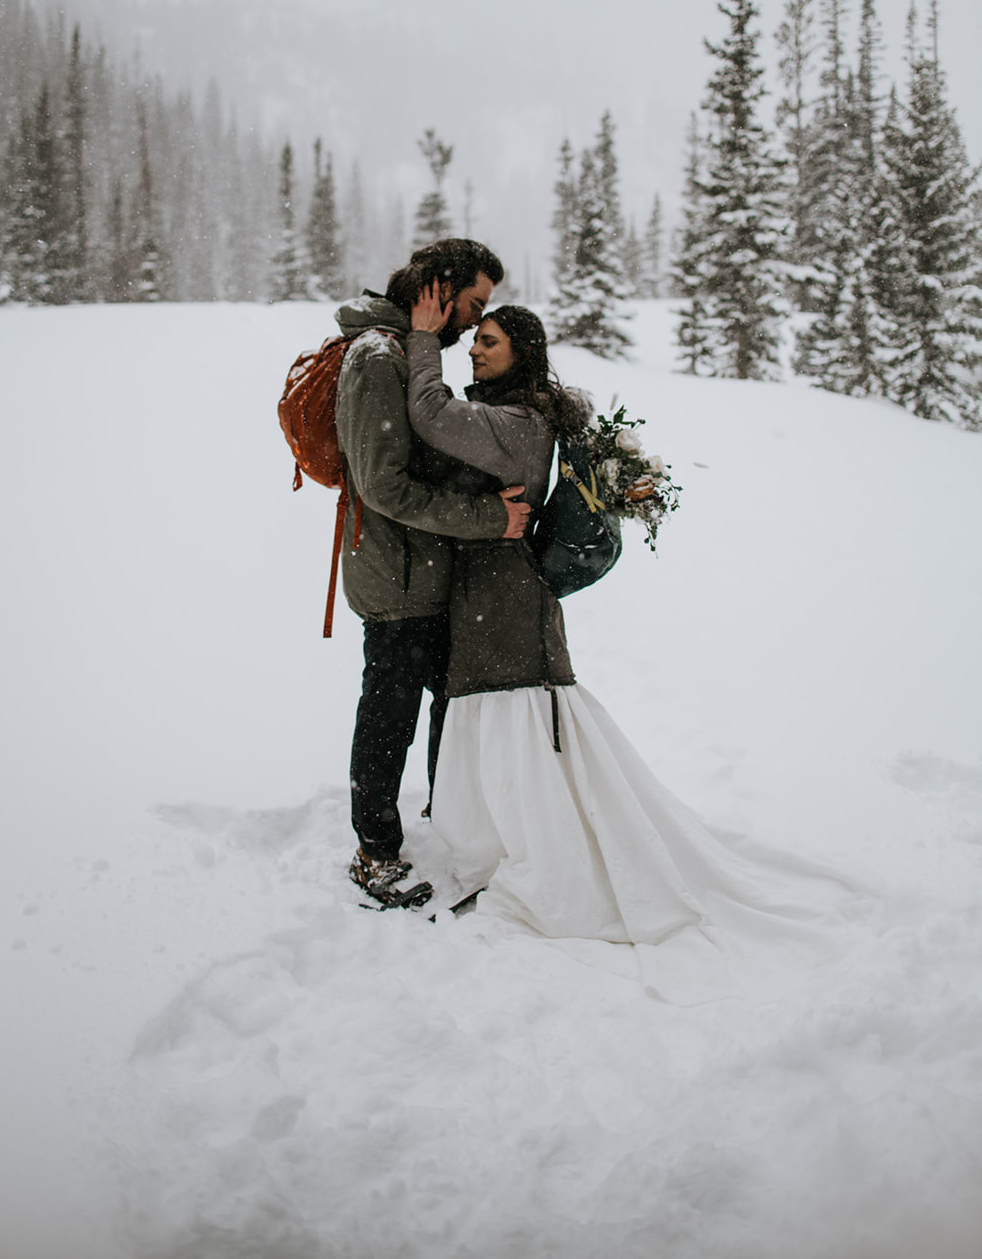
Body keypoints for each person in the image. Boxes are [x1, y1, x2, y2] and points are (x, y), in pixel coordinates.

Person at [406, 291, 864, 1000]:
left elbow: (431, 417)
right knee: (505, 716)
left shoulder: (516, 421)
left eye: (487, 342)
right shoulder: (516, 414)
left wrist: (419, 341)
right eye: (476, 341)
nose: (475, 348)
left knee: (514, 717)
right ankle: (515, 839)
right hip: (491, 590)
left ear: (521, 353)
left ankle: (546, 859)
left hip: (504, 598)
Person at [334, 239, 532, 906]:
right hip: (394, 576)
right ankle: (374, 853)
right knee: (390, 713)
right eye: (472, 305)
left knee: (445, 704)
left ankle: (446, 827)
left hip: (426, 570)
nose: (472, 324)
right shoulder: (374, 360)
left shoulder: (401, 354)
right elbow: (383, 486)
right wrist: (486, 518)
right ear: (437, 292)